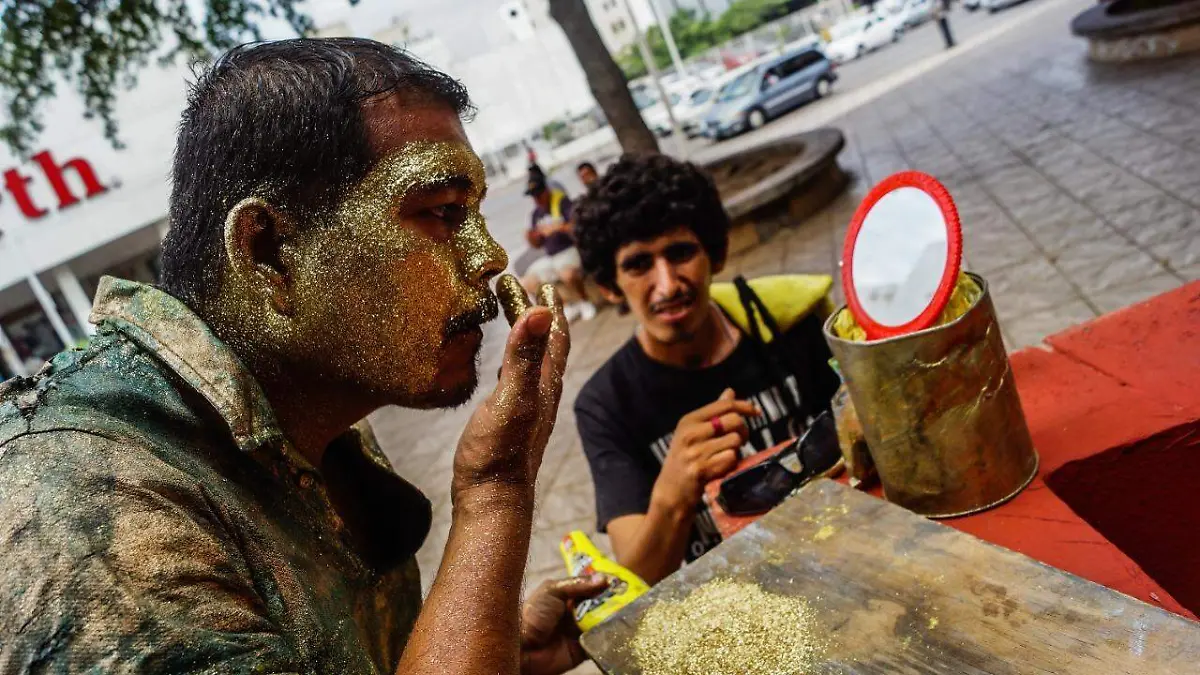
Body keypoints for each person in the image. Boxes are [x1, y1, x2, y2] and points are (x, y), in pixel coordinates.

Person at [0, 38, 605, 675]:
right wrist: (495, 494)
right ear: (267, 252)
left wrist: (498, 649)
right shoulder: (83, 509)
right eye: (441, 213)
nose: (489, 258)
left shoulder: (308, 407)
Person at [571, 154, 842, 583]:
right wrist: (675, 488)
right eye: (639, 264)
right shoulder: (607, 403)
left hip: (843, 554)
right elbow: (637, 578)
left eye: (680, 253)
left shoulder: (788, 326)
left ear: (715, 255)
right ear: (609, 285)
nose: (667, 284)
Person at [523, 172, 598, 322]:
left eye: (538, 194)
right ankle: (567, 305)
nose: (536, 199)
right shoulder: (536, 214)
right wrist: (532, 239)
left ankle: (584, 301)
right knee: (527, 282)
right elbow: (537, 244)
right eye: (533, 196)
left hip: (569, 250)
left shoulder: (562, 202)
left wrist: (559, 227)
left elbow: (578, 226)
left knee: (567, 274)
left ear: (546, 190)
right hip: (550, 256)